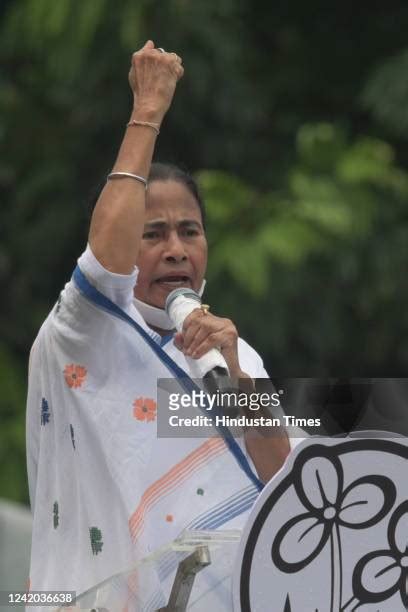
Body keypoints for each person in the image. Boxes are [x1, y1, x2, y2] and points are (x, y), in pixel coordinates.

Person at [26, 41, 296, 610]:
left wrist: (241, 380)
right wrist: (147, 111)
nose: (176, 250)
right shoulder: (84, 333)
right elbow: (103, 261)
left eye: (189, 231)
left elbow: (289, 487)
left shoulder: (228, 351)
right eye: (153, 234)